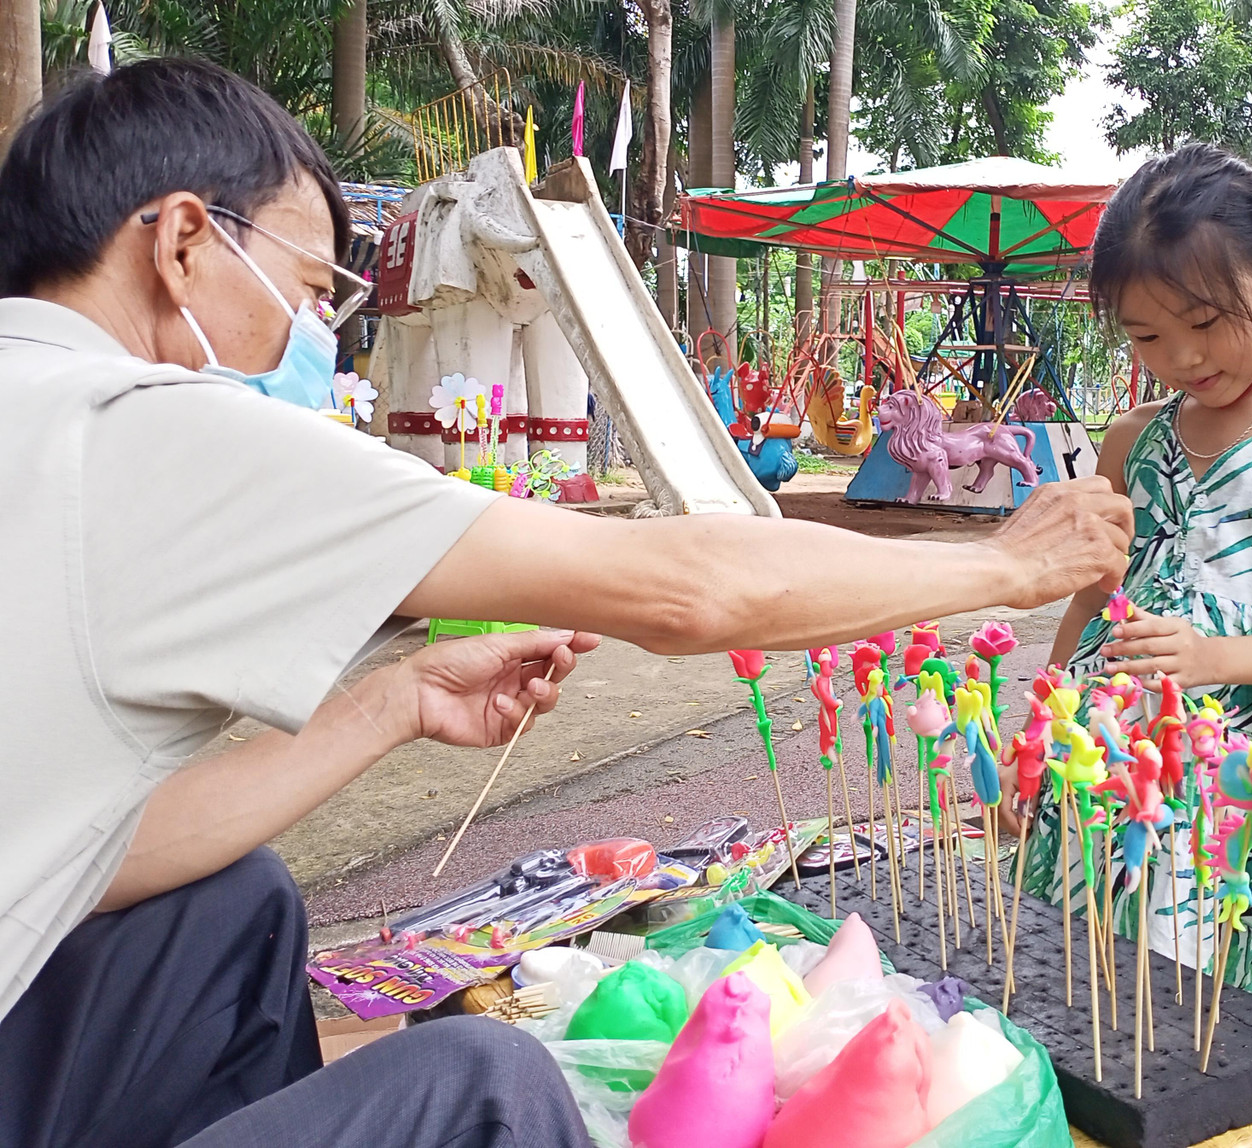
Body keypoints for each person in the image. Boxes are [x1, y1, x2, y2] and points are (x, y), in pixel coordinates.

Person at [0, 59, 1135, 1148]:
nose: (315, 335)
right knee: (488, 1084)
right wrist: (1010, 568)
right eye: (309, 291)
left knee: (226, 900)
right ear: (185, 241)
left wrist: (391, 701)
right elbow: (688, 586)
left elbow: (90, 853)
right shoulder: (142, 426)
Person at [1000, 144, 1252, 1025]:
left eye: (1205, 322)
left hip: (1243, 785)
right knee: (1097, 1010)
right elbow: (1095, 593)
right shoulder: (1133, 438)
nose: (1182, 357)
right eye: (1146, 337)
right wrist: (1039, 728)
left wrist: (1214, 656)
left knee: (1219, 1027)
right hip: (1108, 769)